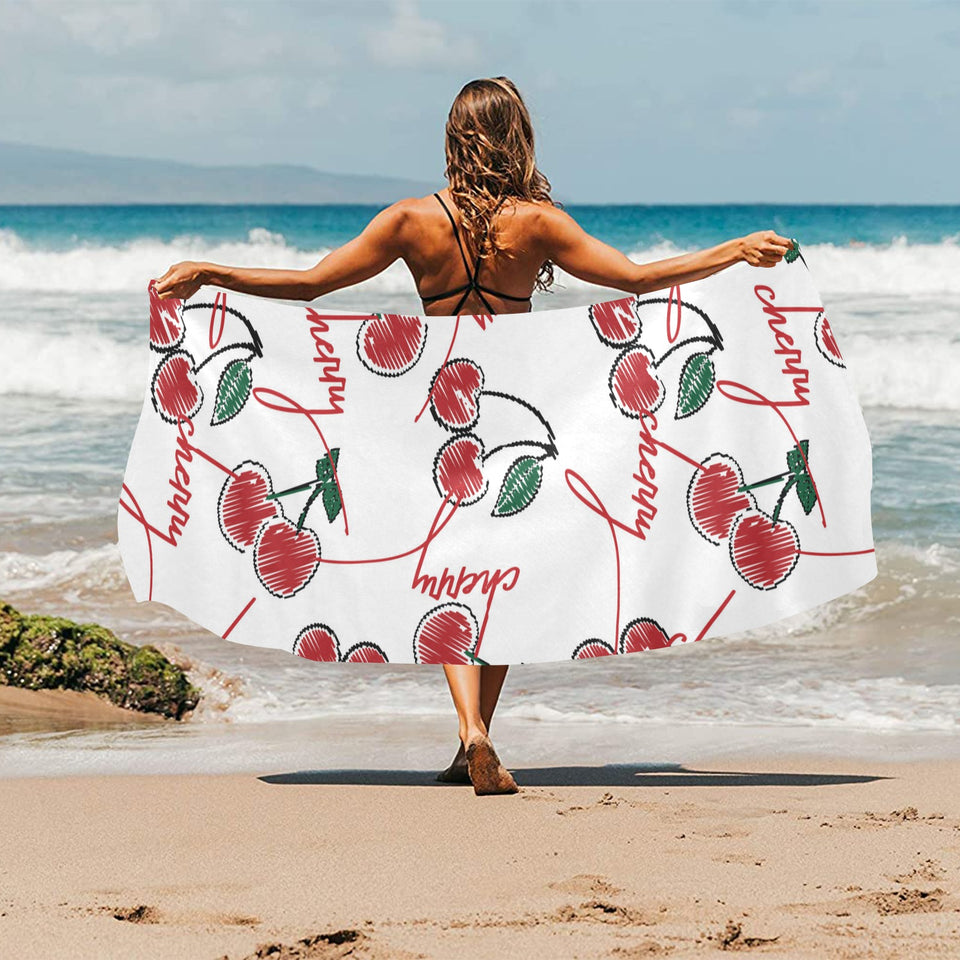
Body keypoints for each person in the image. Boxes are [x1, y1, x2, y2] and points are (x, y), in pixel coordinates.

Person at [154, 76, 793, 796]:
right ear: (518, 137)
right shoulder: (539, 223)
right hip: (519, 411)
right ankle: (476, 733)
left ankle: (471, 735)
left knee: (453, 572)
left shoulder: (409, 220)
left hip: (438, 408)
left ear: (455, 137)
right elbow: (636, 280)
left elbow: (310, 285)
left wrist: (212, 272)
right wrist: (735, 249)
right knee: (501, 576)